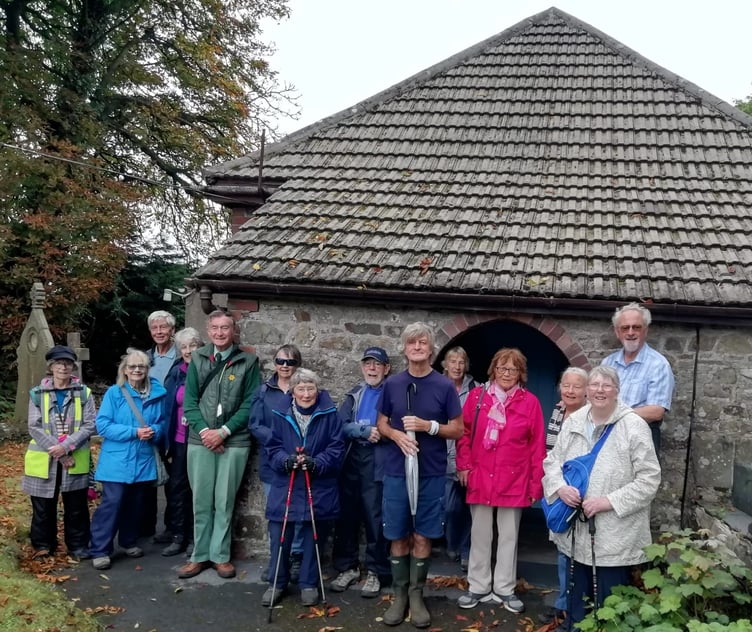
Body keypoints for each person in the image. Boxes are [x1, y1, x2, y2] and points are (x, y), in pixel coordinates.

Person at [542, 366, 661, 631]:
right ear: (587, 389)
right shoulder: (574, 420)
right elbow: (552, 461)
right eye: (595, 384)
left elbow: (649, 479)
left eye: (607, 385)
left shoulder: (634, 426)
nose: (599, 390)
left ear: (617, 391)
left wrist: (607, 502)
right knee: (575, 600)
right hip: (575, 531)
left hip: (613, 537)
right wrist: (560, 487)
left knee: (609, 604)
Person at [376, 322, 463, 629]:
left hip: (431, 472)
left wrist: (429, 427)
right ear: (404, 348)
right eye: (411, 343)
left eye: (422, 343)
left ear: (431, 349)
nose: (417, 348)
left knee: (423, 534)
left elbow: (459, 428)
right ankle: (399, 596)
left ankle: (416, 595)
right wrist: (397, 436)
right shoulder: (393, 384)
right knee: (398, 534)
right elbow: (382, 423)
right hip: (397, 471)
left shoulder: (443, 386)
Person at [455, 348, 546, 613]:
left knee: (509, 536)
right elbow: (464, 433)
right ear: (493, 369)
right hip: (481, 474)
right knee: (480, 534)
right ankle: (478, 586)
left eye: (513, 369)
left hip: (514, 478)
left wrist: (534, 484)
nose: (507, 374)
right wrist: (464, 466)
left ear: (521, 374)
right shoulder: (476, 397)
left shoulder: (530, 403)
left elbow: (537, 446)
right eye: (502, 368)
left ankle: (505, 588)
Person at [177, 310, 260, 581]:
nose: (220, 333)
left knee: (224, 500)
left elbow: (250, 403)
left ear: (233, 331)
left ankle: (220, 556)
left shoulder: (248, 362)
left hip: (234, 440)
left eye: (225, 328)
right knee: (201, 499)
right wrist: (205, 432)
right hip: (200, 440)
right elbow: (189, 401)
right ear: (208, 330)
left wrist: (222, 432)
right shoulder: (199, 358)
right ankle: (199, 555)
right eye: (215, 328)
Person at [262, 369, 345, 608]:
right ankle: (277, 582)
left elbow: (337, 447)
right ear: (293, 391)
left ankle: (309, 583)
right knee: (280, 533)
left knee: (313, 534)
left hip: (318, 483)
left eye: (311, 389)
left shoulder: (330, 413)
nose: (306, 394)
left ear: (317, 390)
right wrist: (284, 461)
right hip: (286, 482)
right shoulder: (280, 412)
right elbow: (272, 445)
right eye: (301, 389)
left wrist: (318, 463)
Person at [89, 349, 167, 570]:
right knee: (112, 504)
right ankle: (100, 549)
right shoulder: (115, 393)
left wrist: (155, 430)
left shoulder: (158, 393)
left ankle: (128, 541)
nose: (137, 370)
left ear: (147, 369)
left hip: (143, 458)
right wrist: (134, 432)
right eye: (132, 367)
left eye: (141, 366)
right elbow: (103, 425)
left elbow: (162, 423)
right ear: (124, 370)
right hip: (117, 459)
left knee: (135, 504)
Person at [21, 345, 97, 560]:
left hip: (75, 459)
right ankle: (43, 545)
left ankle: (78, 546)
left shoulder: (84, 393)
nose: (63, 367)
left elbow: (90, 424)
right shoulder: (37, 394)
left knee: (77, 507)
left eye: (67, 363)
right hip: (44, 461)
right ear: (51, 366)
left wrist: (66, 446)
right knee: (43, 507)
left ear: (73, 367)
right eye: (58, 363)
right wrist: (59, 451)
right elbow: (33, 426)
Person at [330, 347, 391, 598]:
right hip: (352, 457)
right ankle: (348, 567)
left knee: (374, 515)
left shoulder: (391, 393)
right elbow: (339, 425)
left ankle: (376, 571)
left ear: (386, 368)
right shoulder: (355, 394)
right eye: (368, 364)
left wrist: (381, 431)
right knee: (347, 515)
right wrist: (361, 431)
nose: (372, 368)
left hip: (378, 459)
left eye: (377, 364)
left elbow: (398, 425)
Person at [249, 344, 305, 582]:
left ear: (297, 366)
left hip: (299, 461)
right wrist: (276, 440)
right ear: (275, 363)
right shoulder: (264, 391)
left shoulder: (305, 390)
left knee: (299, 515)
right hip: (273, 463)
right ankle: (277, 561)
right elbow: (254, 424)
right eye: (281, 361)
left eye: (290, 363)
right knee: (276, 515)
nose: (285, 366)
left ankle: (296, 558)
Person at [539, 367, 588, 627]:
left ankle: (574, 607)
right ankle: (563, 604)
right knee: (561, 549)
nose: (570, 390)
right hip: (556, 488)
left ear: (586, 391)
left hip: (576, 492)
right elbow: (551, 452)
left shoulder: (590, 417)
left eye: (576, 386)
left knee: (575, 552)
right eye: (566, 385)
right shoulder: (558, 411)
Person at [601, 303, 675, 455]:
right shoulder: (607, 363)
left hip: (641, 437)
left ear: (646, 330)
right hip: (606, 436)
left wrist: (617, 415)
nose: (630, 332)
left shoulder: (658, 365)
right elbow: (596, 397)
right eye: (625, 328)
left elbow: (656, 411)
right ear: (617, 332)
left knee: (639, 479)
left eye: (636, 327)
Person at [159, 327, 203, 557]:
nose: (187, 351)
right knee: (177, 488)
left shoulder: (208, 370)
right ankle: (178, 536)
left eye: (192, 345)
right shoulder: (176, 371)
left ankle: (196, 539)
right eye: (183, 347)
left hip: (200, 440)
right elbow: (167, 407)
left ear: (200, 346)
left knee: (199, 491)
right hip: (177, 440)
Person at [441, 346, 478, 572]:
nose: (457, 366)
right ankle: (451, 542)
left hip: (466, 457)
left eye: (461, 362)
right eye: (453, 361)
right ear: (445, 364)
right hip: (440, 457)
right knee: (447, 507)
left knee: (467, 507)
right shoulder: (436, 386)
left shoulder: (476, 389)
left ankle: (465, 549)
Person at [145, 310, 179, 542]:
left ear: (172, 330)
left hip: (173, 424)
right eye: (155, 328)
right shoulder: (146, 358)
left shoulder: (182, 356)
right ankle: (144, 526)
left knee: (173, 481)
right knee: (146, 477)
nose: (159, 332)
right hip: (148, 424)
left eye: (163, 327)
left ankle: (171, 527)